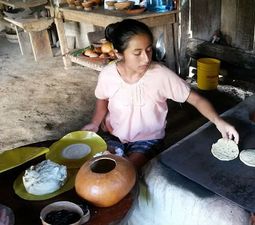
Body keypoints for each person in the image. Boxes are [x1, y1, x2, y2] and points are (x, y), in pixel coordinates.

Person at [82, 19, 239, 169]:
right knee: (97, 166)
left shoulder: (160, 75)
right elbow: (102, 98)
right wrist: (95, 123)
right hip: (114, 134)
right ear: (119, 54)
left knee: (125, 171)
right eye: (137, 53)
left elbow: (196, 99)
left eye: (149, 50)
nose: (146, 58)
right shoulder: (108, 74)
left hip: (147, 140)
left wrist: (218, 121)